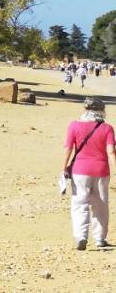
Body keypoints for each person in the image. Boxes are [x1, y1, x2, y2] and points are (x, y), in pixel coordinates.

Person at [63, 97, 116, 250]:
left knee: (79, 204)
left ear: (85, 109)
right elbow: (111, 151)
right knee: (101, 204)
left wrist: (64, 167)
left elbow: (68, 149)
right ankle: (100, 238)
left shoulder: (74, 125)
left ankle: (81, 235)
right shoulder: (107, 128)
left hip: (79, 170)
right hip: (101, 170)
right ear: (102, 110)